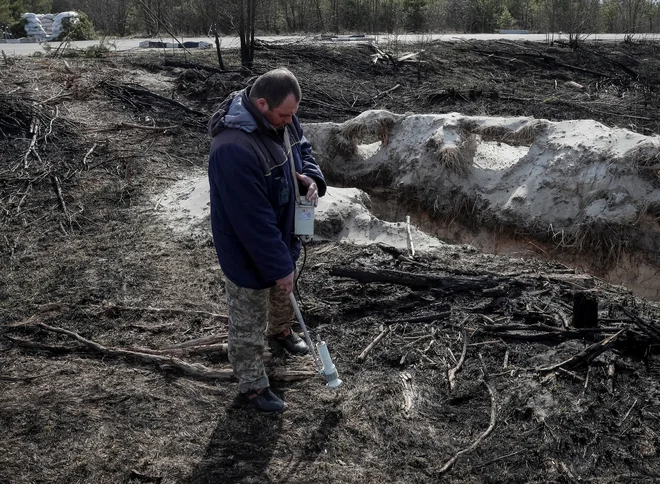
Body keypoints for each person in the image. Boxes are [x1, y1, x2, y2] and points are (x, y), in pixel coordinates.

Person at [208, 68, 326, 413]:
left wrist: (311, 179)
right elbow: (252, 223)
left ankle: (281, 331)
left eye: (293, 114)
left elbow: (302, 147)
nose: (290, 121)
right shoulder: (233, 149)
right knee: (247, 317)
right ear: (261, 104)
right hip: (248, 249)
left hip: (282, 230)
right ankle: (252, 384)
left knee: (282, 290)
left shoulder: (282, 118)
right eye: (284, 115)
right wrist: (279, 265)